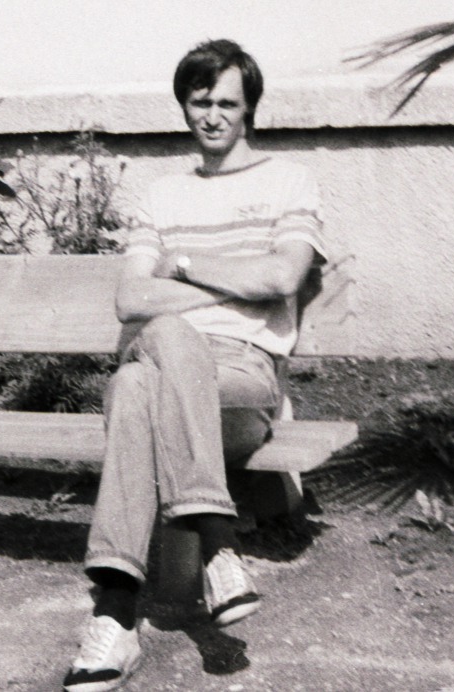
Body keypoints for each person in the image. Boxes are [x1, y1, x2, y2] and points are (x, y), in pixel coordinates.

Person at [63, 39, 326, 692]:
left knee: (131, 386)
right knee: (162, 343)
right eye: (199, 101)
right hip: (166, 354)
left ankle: (115, 618)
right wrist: (233, 285)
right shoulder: (161, 196)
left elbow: (282, 274)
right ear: (185, 106)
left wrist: (182, 268)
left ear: (249, 110)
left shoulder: (287, 181)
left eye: (226, 103)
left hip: (240, 381)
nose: (212, 115)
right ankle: (217, 544)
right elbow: (130, 298)